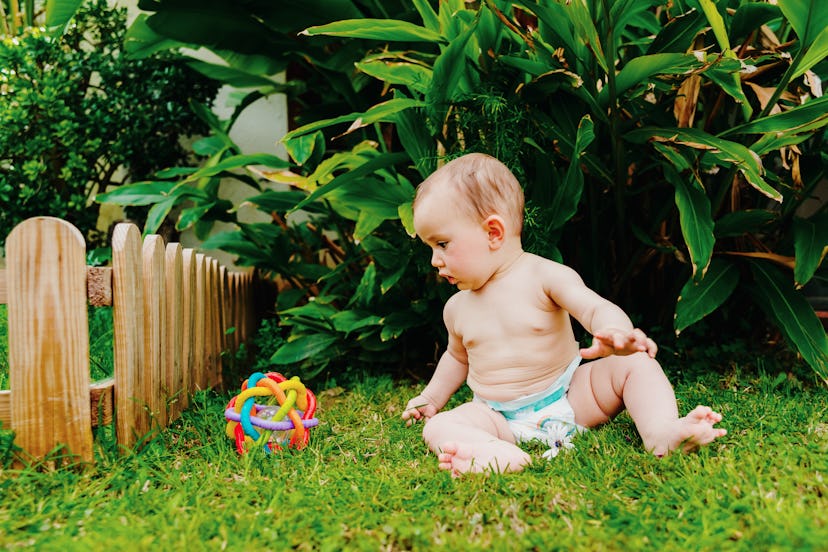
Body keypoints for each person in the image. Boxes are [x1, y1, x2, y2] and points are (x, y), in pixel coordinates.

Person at [401, 153, 726, 476]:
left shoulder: (544, 276)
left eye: (442, 244)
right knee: (440, 427)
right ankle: (494, 453)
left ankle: (662, 432)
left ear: (493, 233)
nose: (434, 260)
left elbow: (593, 307)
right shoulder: (457, 308)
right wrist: (431, 398)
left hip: (572, 396)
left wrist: (614, 331)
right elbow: (457, 358)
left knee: (636, 365)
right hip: (497, 417)